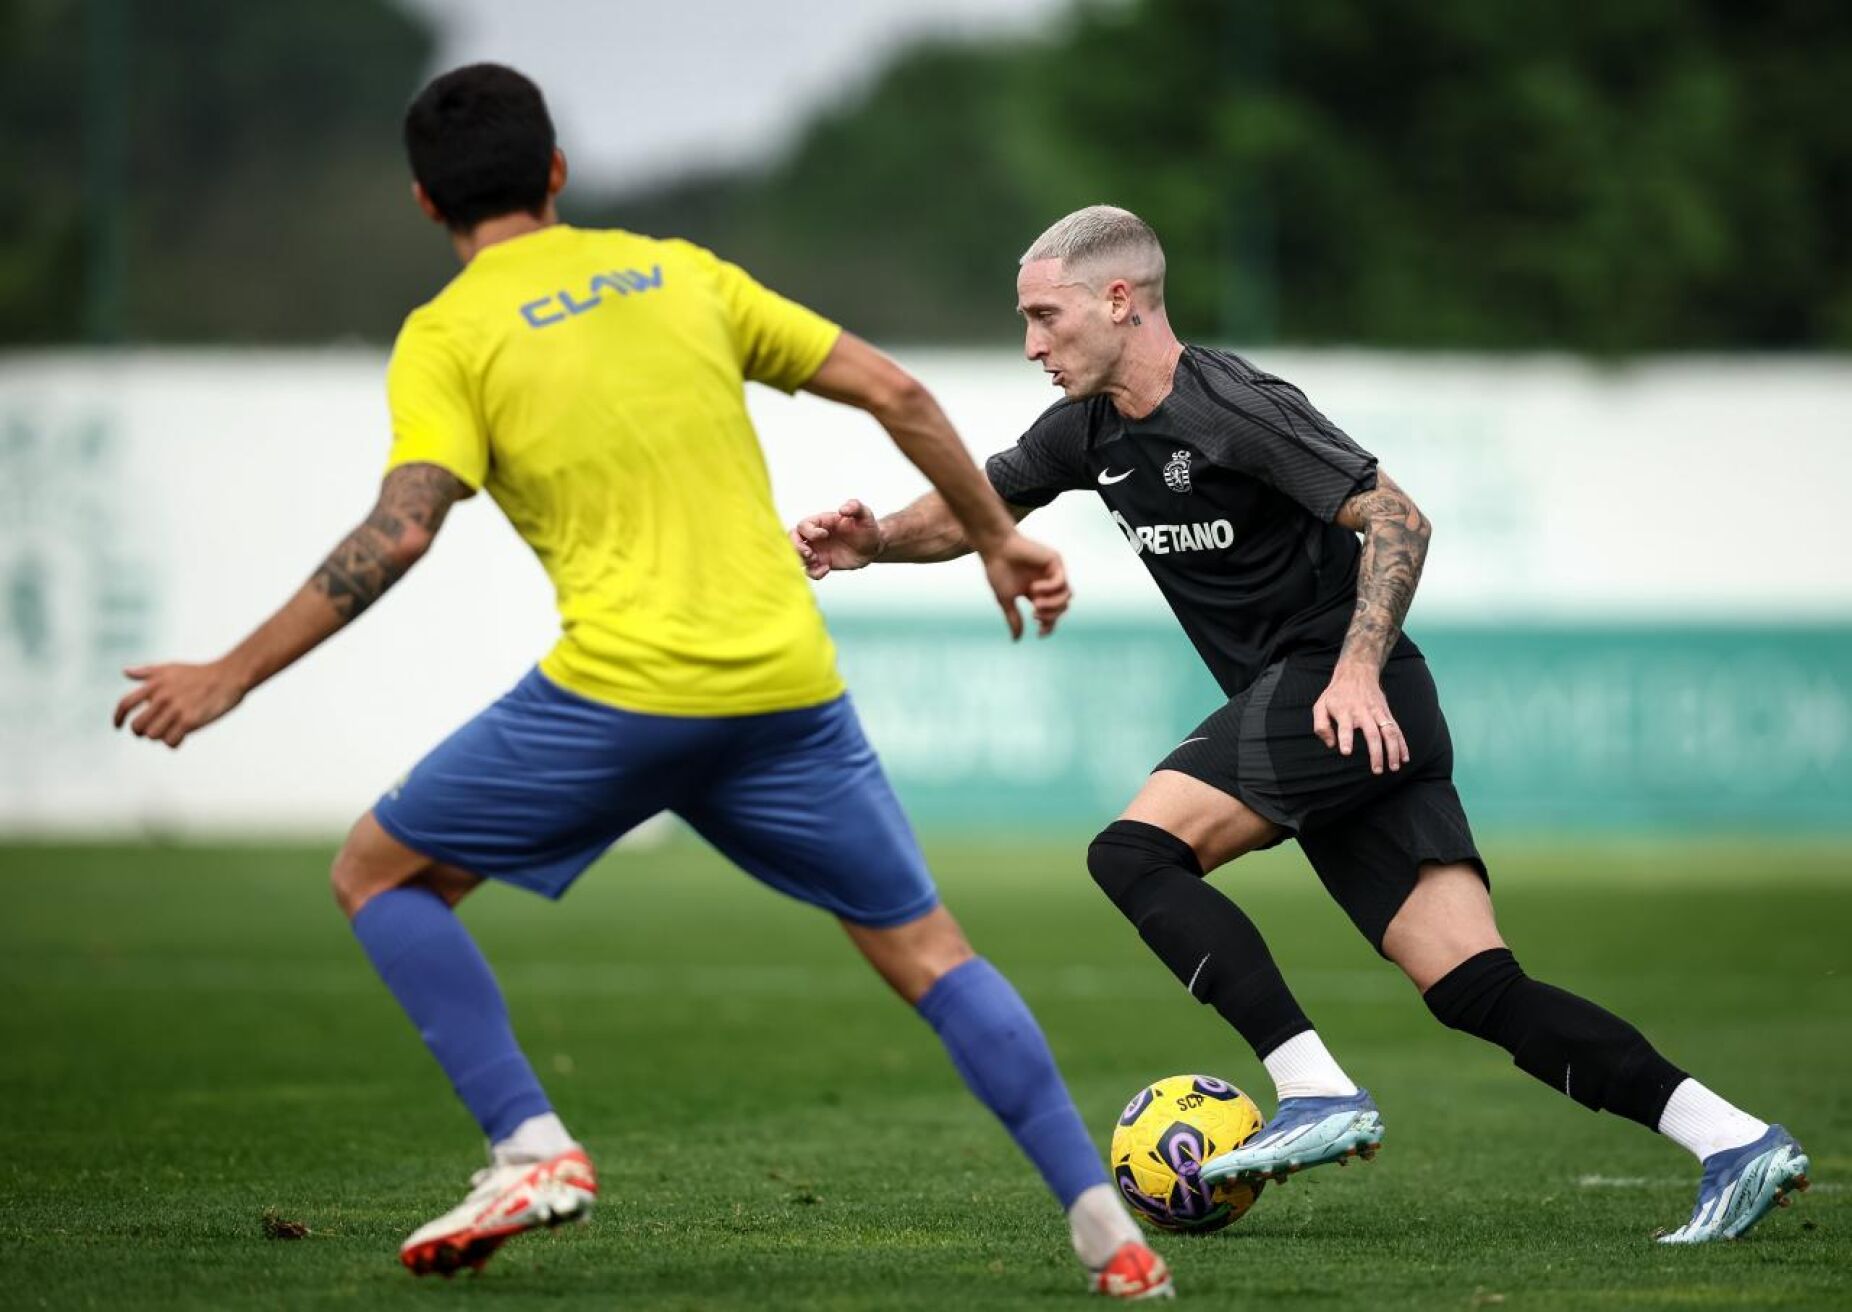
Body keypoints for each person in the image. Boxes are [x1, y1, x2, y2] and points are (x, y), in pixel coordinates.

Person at [112, 70, 1174, 1297]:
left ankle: (531, 1146)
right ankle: (1107, 1228)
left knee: (378, 870)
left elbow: (401, 530)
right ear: (556, 172)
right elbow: (899, 391)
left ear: (424, 202)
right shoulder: (680, 272)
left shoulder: (450, 335)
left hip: (625, 692)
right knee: (932, 952)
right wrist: (997, 535)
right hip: (784, 685)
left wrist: (231, 674)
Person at [790, 204, 1811, 1245]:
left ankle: (1310, 1083)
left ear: (1118, 300)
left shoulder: (1231, 404)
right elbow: (979, 505)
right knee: (1477, 987)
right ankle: (1732, 1139)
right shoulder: (1087, 431)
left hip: (1342, 687)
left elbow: (1398, 516)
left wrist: (1357, 669)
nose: (1030, 345)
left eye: (1045, 317)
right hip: (1349, 711)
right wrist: (872, 540)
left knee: (1134, 853)